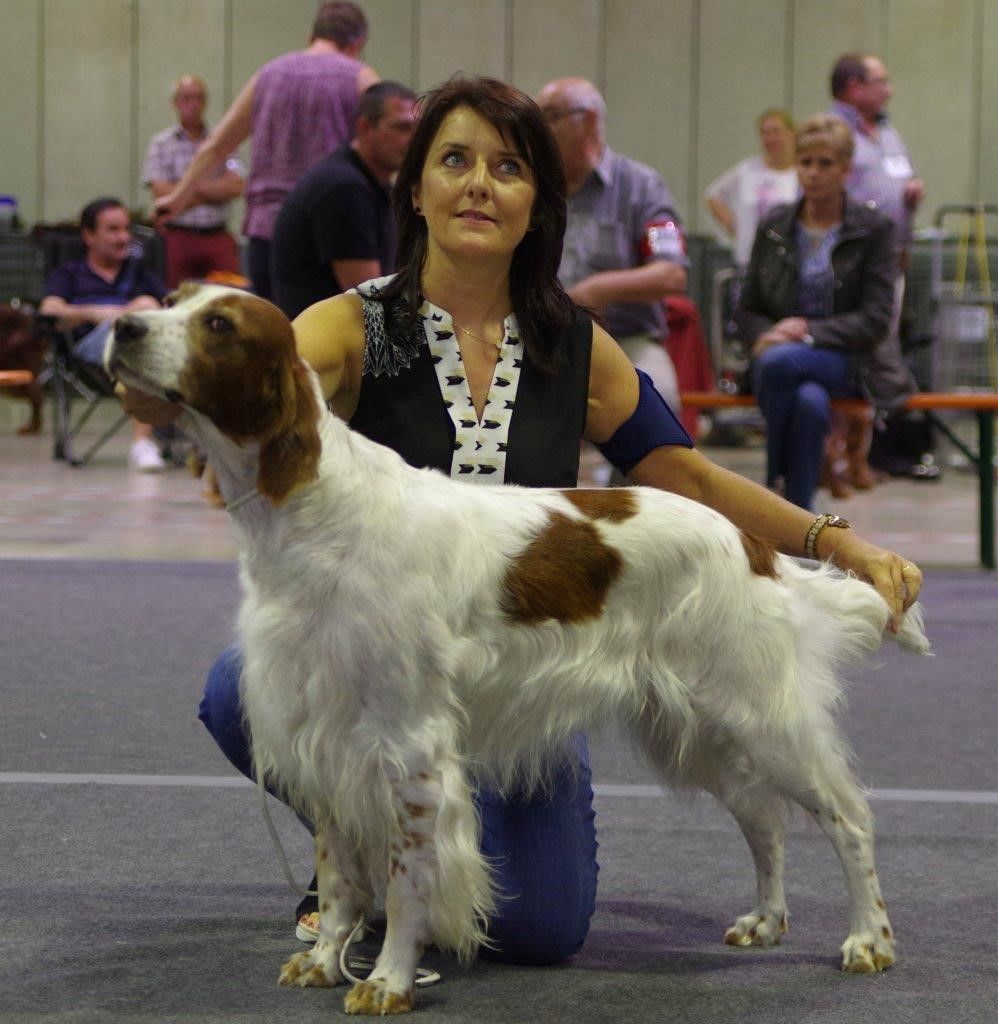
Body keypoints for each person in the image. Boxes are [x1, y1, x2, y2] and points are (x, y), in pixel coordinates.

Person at [120, 78, 923, 963]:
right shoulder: (354, 325)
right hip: (381, 663)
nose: (477, 184)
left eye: (507, 168)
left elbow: (682, 472)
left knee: (537, 931)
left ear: (536, 202)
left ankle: (413, 846)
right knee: (247, 685)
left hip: (525, 680)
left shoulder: (570, 340)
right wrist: (163, 378)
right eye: (452, 160)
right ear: (415, 189)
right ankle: (363, 857)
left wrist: (834, 543)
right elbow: (257, 371)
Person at [734, 114, 914, 510]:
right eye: (806, 163)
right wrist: (769, 333)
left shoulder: (875, 228)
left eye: (825, 164)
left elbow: (876, 319)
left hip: (849, 361)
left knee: (779, 362)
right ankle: (800, 516)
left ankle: (772, 493)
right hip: (780, 358)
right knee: (808, 403)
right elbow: (747, 307)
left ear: (846, 169)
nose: (813, 173)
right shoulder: (775, 224)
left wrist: (803, 333)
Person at [154, 1, 380, 300]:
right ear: (358, 43)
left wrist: (177, 198)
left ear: (310, 36)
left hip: (267, 232)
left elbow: (217, 146)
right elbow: (391, 143)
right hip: (334, 235)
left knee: (275, 336)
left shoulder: (268, 75)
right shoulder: (361, 77)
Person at [535, 77, 688, 419]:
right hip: (544, 338)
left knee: (659, 399)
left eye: (550, 116)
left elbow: (672, 274)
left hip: (626, 341)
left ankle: (633, 477)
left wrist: (594, 290)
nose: (538, 128)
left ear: (588, 120)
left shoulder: (642, 187)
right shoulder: (532, 187)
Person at [830, 52, 928, 480]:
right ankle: (847, 455)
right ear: (853, 86)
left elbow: (895, 178)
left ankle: (866, 454)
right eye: (880, 81)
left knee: (883, 347)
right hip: (850, 264)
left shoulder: (887, 133)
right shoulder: (833, 133)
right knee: (862, 351)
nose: (888, 89)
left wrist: (909, 194)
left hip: (891, 259)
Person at [41, 197, 168, 472]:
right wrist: (99, 313)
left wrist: (120, 314)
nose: (124, 238)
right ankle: (142, 443)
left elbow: (169, 308)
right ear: (88, 235)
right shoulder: (70, 273)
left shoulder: (140, 273)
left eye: (126, 229)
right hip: (90, 350)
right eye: (113, 230)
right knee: (144, 313)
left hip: (143, 348)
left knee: (147, 329)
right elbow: (50, 310)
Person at [271, 80, 416, 320]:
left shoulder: (369, 184)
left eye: (416, 129)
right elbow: (371, 300)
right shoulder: (345, 189)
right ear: (364, 127)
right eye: (401, 128)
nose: (413, 140)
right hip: (322, 346)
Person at [142, 74, 245, 287]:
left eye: (198, 98)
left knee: (229, 298)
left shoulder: (223, 140)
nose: (193, 103)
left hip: (217, 235)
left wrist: (182, 193)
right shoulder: (160, 143)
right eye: (186, 98)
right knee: (178, 300)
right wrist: (214, 191)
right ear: (175, 103)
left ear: (205, 102)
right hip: (178, 237)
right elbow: (161, 193)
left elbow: (236, 185)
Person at [705, 109, 799, 270]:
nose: (771, 138)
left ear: (792, 133)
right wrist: (735, 227)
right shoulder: (747, 170)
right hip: (749, 262)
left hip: (789, 263)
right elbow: (713, 195)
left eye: (776, 132)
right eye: (765, 133)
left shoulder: (800, 173)